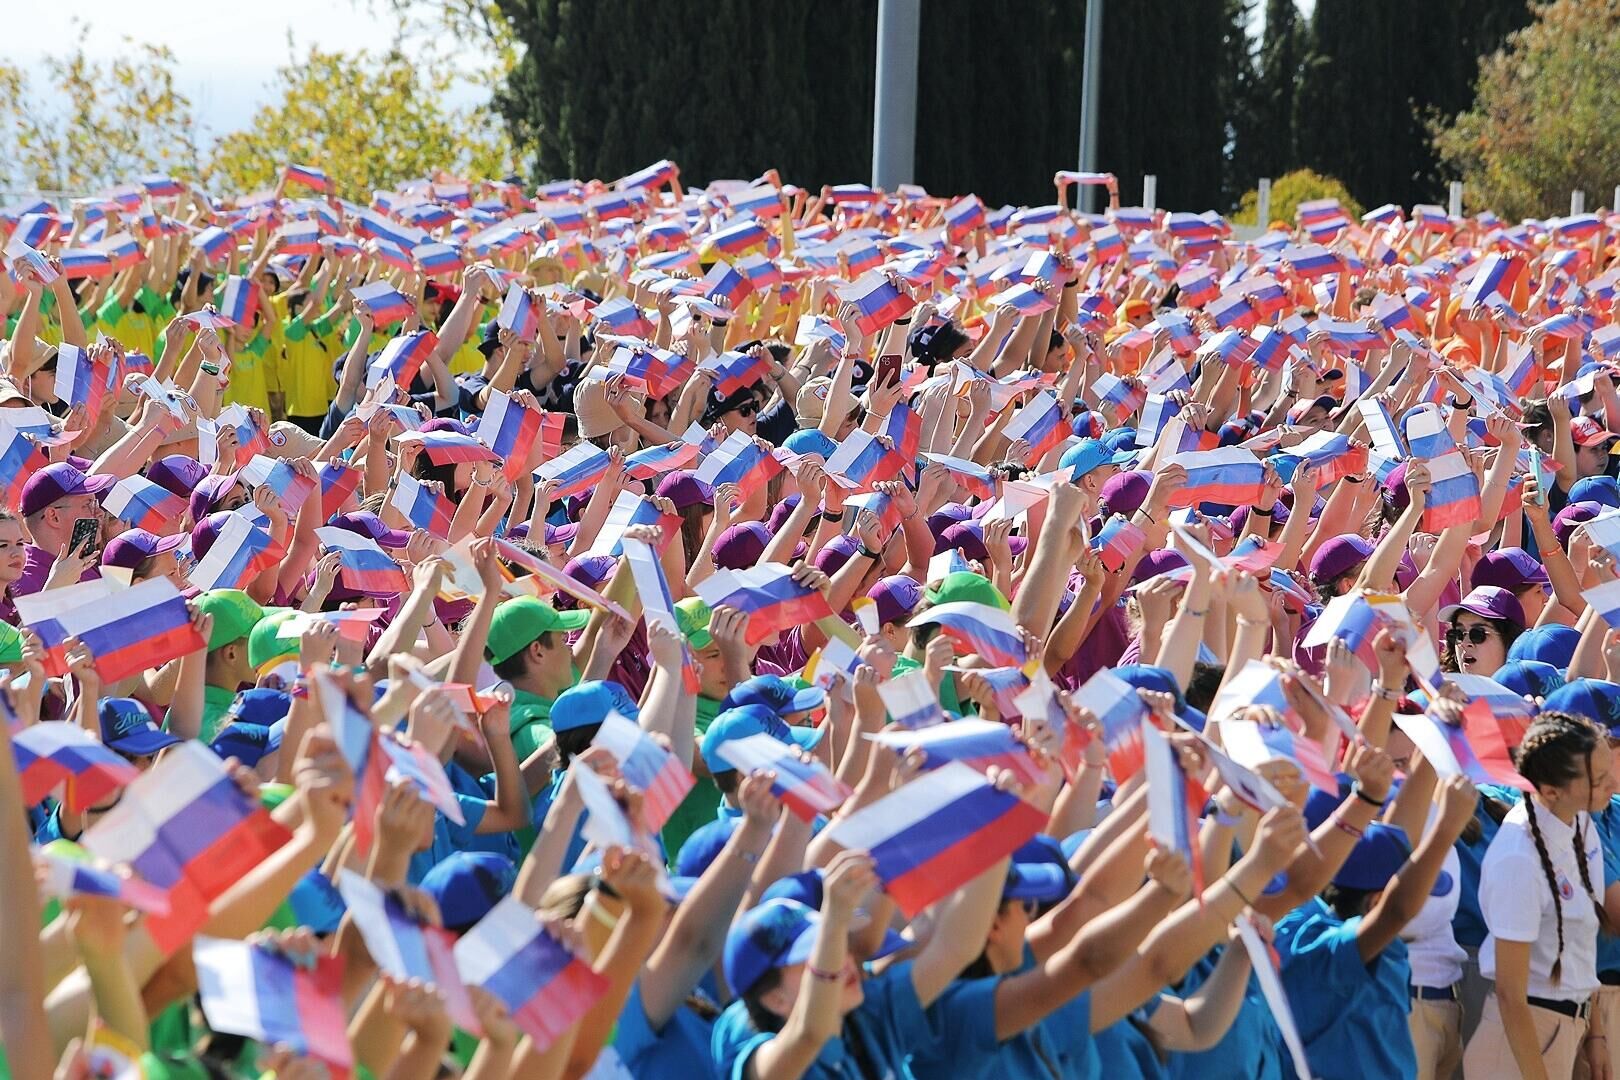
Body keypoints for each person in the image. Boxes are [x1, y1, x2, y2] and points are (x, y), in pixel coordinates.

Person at [1465, 713, 1616, 1079]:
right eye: (1598, 780)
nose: (1613, 783)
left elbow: (1581, 944)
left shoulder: (1579, 822)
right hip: (1523, 1039)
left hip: (1569, 1026)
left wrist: (1595, 1034)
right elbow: (1510, 994)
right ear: (1550, 791)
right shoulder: (1518, 856)